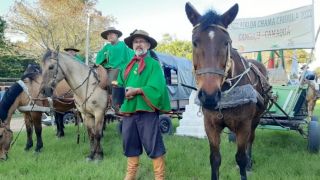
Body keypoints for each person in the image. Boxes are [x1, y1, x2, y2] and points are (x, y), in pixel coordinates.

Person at [116, 30, 171, 180]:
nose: (138, 44)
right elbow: (120, 84)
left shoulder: (154, 65)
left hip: (147, 111)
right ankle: (130, 176)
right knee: (130, 143)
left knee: (153, 144)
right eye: (135, 42)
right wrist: (117, 90)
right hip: (129, 111)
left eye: (141, 41)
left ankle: (159, 177)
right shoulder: (126, 66)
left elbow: (158, 88)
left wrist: (138, 90)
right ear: (132, 45)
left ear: (148, 44)